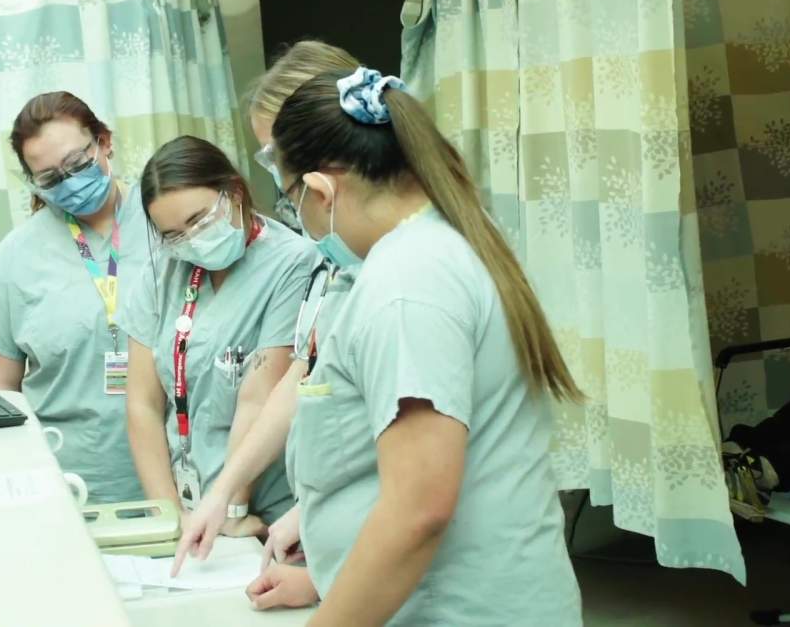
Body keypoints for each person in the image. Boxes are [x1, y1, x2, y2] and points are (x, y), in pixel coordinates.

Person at [243, 67, 585, 625]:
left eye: (292, 201)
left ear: (323, 189)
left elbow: (418, 510)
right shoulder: (438, 248)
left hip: (454, 609)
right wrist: (323, 578)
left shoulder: (408, 282)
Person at [172, 40, 361, 574]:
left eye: (277, 157)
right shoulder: (342, 264)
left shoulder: (410, 275)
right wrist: (225, 492)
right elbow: (303, 376)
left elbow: (420, 480)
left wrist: (324, 589)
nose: (276, 177)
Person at [117, 135, 321, 534]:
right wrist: (170, 517)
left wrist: (231, 510)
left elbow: (259, 397)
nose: (191, 240)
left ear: (234, 193)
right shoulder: (163, 271)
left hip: (261, 512)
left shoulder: (294, 263)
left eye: (199, 220)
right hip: (190, 508)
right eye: (173, 234)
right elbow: (142, 404)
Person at [0, 91, 150, 505]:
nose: (70, 183)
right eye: (49, 178)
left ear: (105, 141)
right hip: (70, 487)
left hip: (180, 479)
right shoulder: (16, 258)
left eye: (77, 164)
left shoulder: (164, 218)